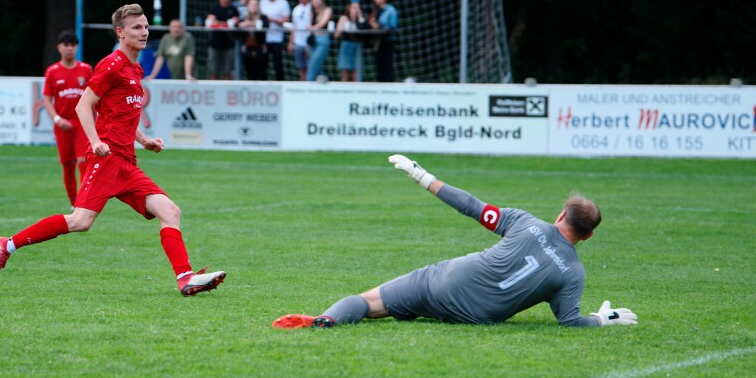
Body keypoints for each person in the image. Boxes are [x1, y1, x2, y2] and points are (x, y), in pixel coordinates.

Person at [0, 4, 226, 297]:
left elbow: (118, 112)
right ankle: (7, 245)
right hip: (107, 158)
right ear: (120, 33)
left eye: (146, 26)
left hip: (126, 162)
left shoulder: (136, 68)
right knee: (81, 221)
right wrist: (95, 141)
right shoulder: (111, 64)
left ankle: (185, 278)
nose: (144, 32)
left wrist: (144, 139)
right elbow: (83, 105)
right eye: (137, 27)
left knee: (170, 211)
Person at [273, 154, 637, 329]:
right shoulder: (573, 272)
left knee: (368, 302)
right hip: (475, 316)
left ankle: (326, 319)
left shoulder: (526, 222)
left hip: (446, 282)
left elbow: (471, 205)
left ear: (560, 215)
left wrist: (421, 175)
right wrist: (605, 319)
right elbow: (570, 321)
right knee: (398, 305)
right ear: (588, 235)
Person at [42, 30, 94, 207]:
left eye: (73, 45)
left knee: (83, 160)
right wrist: (56, 119)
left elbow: (94, 95)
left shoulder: (86, 69)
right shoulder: (52, 71)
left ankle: (84, 200)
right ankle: (73, 202)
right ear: (59, 47)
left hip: (82, 122)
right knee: (67, 164)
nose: (70, 48)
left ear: (77, 47)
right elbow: (47, 99)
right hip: (63, 123)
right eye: (66, 45)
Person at [259, 0, 290, 80]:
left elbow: (286, 20)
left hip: (277, 38)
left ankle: (281, 84)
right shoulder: (261, 3)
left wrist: (273, 20)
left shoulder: (283, 3)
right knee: (263, 64)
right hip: (264, 38)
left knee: (278, 64)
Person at [205, 0, 238, 80]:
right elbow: (209, 22)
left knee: (227, 72)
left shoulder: (234, 9)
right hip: (214, 44)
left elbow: (234, 22)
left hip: (228, 45)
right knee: (213, 72)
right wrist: (225, 23)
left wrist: (219, 23)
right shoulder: (214, 8)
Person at [368, 0, 399, 82]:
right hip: (378, 42)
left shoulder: (391, 10)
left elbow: (392, 28)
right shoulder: (375, 11)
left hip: (388, 42)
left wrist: (378, 26)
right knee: (379, 68)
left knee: (387, 67)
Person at [237, 0, 270, 81]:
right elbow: (236, 27)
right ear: (248, 6)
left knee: (262, 72)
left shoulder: (263, 17)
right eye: (251, 4)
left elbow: (266, 26)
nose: (253, 6)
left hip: (260, 49)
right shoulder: (244, 18)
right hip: (248, 49)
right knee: (250, 72)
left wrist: (253, 24)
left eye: (255, 4)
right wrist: (242, 24)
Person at [335, 0, 367, 82]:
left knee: (356, 72)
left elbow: (364, 31)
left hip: (357, 47)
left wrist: (359, 17)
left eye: (357, 8)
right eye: (353, 7)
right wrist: (340, 28)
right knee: (345, 72)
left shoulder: (361, 19)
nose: (355, 10)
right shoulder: (344, 18)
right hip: (346, 46)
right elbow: (336, 35)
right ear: (349, 8)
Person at [306, 0, 333, 81]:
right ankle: (323, 88)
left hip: (323, 40)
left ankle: (308, 85)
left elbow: (322, 23)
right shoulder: (311, 12)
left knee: (312, 65)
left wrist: (312, 28)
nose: (316, 1)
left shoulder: (327, 10)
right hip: (313, 41)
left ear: (322, 0)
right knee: (318, 68)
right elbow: (309, 28)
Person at [232, 0, 257, 80]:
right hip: (237, 38)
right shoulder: (235, 5)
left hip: (250, 39)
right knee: (237, 63)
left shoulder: (254, 6)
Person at [288, 0, 312, 80]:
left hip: (309, 42)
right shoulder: (296, 9)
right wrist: (291, 42)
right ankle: (302, 86)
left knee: (311, 66)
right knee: (301, 67)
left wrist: (308, 44)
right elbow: (294, 27)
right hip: (298, 42)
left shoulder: (312, 8)